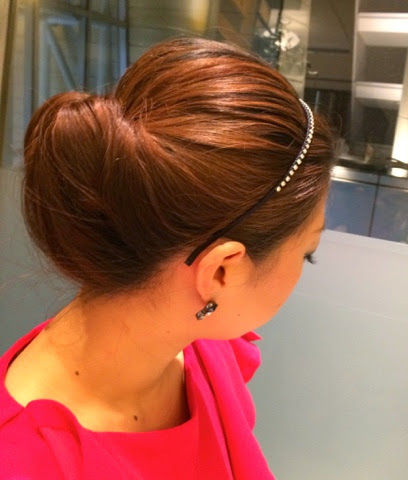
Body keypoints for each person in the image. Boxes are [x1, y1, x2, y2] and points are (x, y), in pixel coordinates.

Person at [0, 36, 335, 479]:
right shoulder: (25, 462)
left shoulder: (201, 350)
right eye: (307, 254)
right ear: (222, 271)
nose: (304, 268)